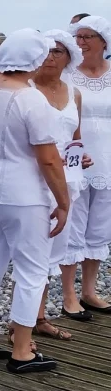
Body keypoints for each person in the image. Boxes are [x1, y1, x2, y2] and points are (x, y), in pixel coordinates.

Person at [0, 29, 70, 375]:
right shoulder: (30, 98)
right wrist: (63, 201)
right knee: (32, 269)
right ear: (34, 60)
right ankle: (22, 349)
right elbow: (49, 158)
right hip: (21, 196)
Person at [26, 30, 90, 340]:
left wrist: (82, 156)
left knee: (55, 252)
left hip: (69, 181)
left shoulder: (74, 93)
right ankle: (22, 323)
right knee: (33, 253)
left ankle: (39, 318)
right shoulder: (25, 90)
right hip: (34, 180)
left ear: (68, 58)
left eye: (59, 51)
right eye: (47, 50)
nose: (51, 56)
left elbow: (74, 138)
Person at [60, 16, 111, 314]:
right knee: (73, 225)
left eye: (87, 36)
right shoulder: (68, 77)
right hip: (77, 159)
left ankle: (89, 291)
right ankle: (68, 295)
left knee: (101, 228)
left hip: (108, 160)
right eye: (77, 37)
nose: (80, 42)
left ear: (103, 41)